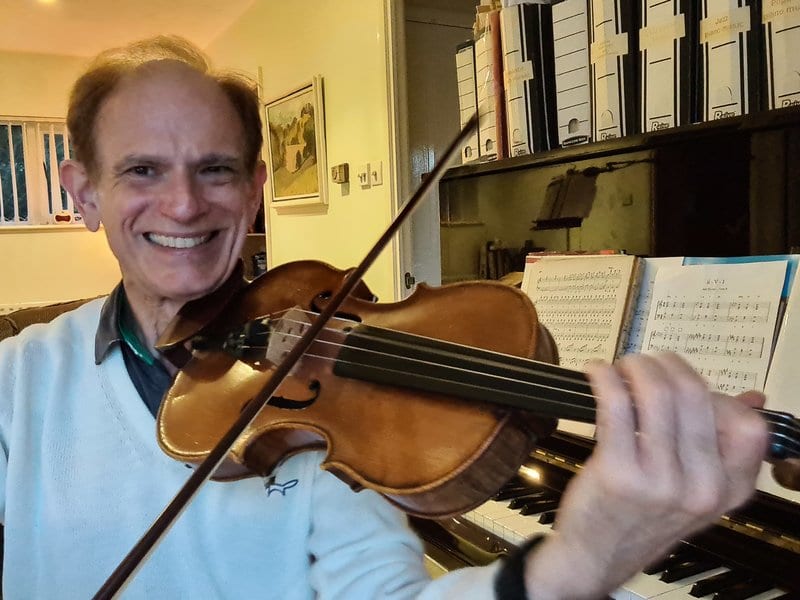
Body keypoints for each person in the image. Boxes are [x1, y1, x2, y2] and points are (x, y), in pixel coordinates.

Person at [0, 36, 770, 599]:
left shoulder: (330, 403)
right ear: (85, 190)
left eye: (216, 169)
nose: (183, 204)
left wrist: (587, 556)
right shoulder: (18, 381)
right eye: (143, 170)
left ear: (254, 187)